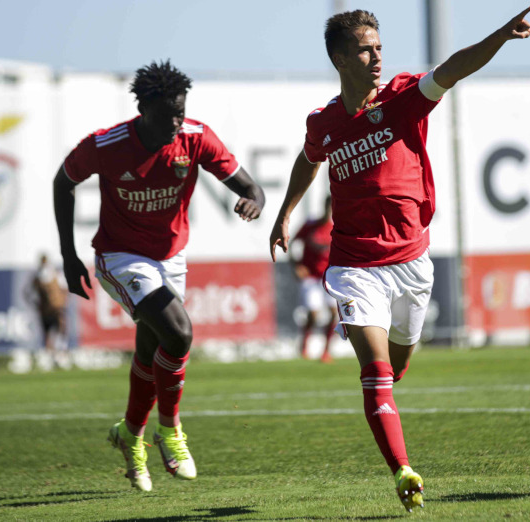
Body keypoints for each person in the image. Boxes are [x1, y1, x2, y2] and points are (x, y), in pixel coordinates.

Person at [269, 7, 530, 512]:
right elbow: (309, 158)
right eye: (366, 50)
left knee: (398, 363)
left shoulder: (402, 99)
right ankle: (403, 471)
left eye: (379, 47)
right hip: (353, 267)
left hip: (412, 262)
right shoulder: (323, 123)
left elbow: (454, 68)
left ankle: (387, 397)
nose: (377, 57)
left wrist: (499, 35)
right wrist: (285, 213)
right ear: (340, 58)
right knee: (375, 370)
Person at [53, 60, 265, 492]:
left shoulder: (195, 138)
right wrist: (68, 255)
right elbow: (63, 182)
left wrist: (254, 201)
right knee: (180, 333)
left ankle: (130, 436)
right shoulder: (107, 145)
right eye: (167, 113)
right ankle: (169, 431)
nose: (175, 121)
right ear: (143, 108)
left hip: (169, 259)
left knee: (153, 351)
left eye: (180, 112)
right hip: (120, 256)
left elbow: (251, 187)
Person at [290, 196, 338, 362]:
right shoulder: (311, 225)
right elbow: (293, 244)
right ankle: (304, 344)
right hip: (310, 276)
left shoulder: (338, 228)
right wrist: (296, 265)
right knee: (314, 314)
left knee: (334, 313)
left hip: (329, 277)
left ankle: (326, 351)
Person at [27, 253, 67, 353]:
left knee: (60, 327)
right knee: (48, 332)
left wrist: (62, 301)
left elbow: (64, 289)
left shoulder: (55, 274)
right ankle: (51, 352)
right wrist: (35, 304)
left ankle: (61, 349)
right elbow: (28, 292)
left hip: (56, 307)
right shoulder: (38, 277)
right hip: (46, 309)